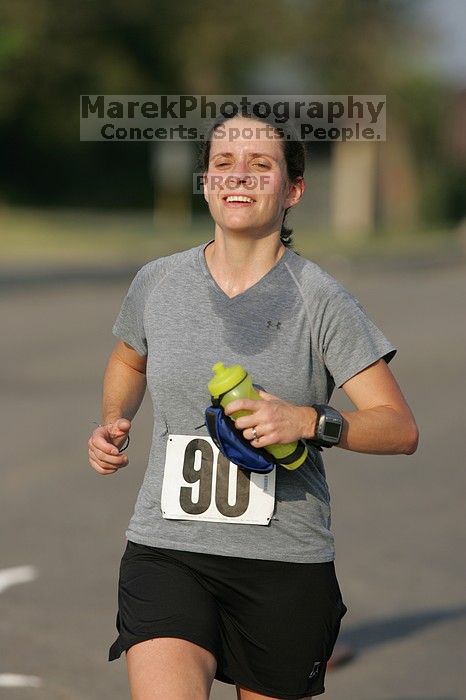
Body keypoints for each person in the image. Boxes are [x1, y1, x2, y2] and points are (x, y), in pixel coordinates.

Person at [87, 111, 419, 700]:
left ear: (293, 190)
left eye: (260, 165)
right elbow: (128, 360)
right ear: (207, 182)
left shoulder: (320, 299)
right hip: (169, 550)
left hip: (284, 565)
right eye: (223, 164)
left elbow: (399, 428)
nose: (238, 177)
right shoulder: (157, 282)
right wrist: (116, 419)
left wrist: (310, 420)